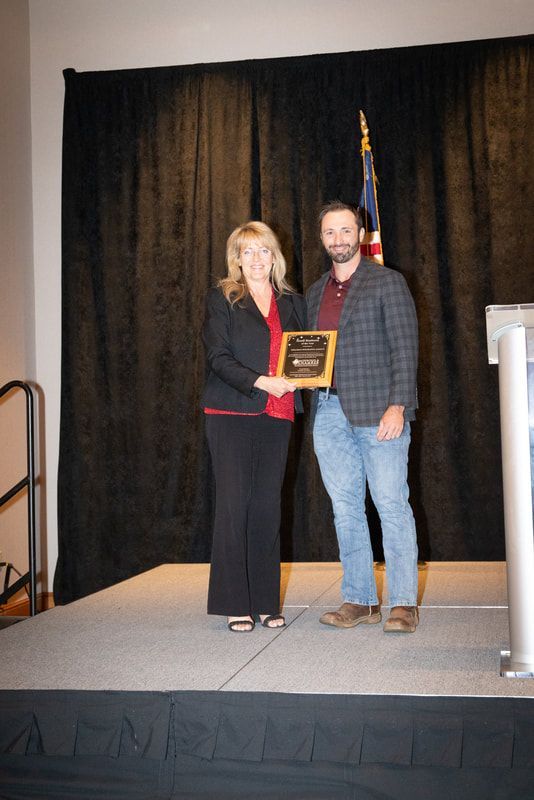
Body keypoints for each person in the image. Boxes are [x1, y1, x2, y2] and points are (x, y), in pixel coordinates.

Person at [307, 201, 419, 633]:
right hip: (328, 410)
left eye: (346, 230)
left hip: (380, 411)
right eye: (330, 232)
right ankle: (360, 599)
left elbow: (405, 348)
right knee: (345, 507)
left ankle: (403, 603)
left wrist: (399, 405)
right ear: (323, 239)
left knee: (391, 504)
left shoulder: (388, 282)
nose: (338, 239)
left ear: (361, 233)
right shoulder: (315, 291)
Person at [202, 221, 305, 632]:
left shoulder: (292, 302)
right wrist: (261, 381)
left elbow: (308, 351)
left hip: (278, 415)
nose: (257, 259)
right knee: (234, 505)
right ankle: (234, 602)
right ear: (237, 259)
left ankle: (264, 600)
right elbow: (217, 357)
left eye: (264, 251)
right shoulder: (223, 298)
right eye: (248, 252)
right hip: (231, 415)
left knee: (266, 507)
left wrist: (308, 374)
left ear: (274, 256)